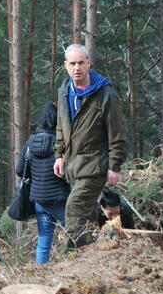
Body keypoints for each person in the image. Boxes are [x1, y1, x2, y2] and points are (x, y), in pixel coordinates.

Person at [54, 44, 127, 248]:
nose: (77, 67)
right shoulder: (64, 91)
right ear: (66, 66)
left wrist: (115, 166)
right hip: (72, 165)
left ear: (89, 63)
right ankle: (92, 253)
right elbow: (61, 126)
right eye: (72, 63)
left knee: (74, 207)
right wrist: (59, 155)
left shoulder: (106, 94)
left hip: (95, 164)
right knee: (87, 215)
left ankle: (71, 254)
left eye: (81, 63)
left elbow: (117, 132)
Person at [15, 103, 70, 264]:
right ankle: (72, 266)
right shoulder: (62, 143)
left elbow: (20, 170)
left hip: (39, 200)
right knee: (76, 232)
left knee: (44, 240)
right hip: (59, 199)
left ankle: (40, 274)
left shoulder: (31, 142)